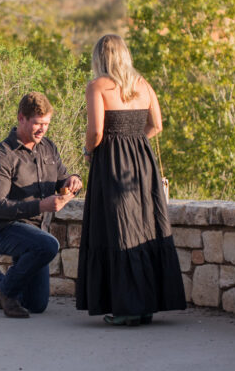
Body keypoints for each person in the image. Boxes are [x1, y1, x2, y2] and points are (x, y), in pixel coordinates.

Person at [75, 34, 187, 326]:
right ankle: (146, 305)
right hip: (142, 163)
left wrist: (89, 152)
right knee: (145, 225)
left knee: (118, 228)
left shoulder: (97, 86)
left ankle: (127, 309)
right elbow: (157, 125)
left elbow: (96, 131)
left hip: (111, 163)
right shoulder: (143, 85)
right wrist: (134, 142)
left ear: (100, 58)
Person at [0, 91, 83, 318]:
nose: (43, 129)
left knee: (36, 304)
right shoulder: (1, 156)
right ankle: (6, 294)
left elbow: (60, 178)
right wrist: (42, 206)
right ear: (21, 118)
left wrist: (71, 180)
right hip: (5, 229)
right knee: (49, 245)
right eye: (37, 123)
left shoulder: (48, 147)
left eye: (46, 124)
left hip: (35, 233)